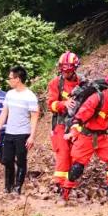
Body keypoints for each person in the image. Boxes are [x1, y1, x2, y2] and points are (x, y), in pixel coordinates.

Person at [62, 70, 108, 207]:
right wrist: (72, 132)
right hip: (86, 136)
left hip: (103, 137)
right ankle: (64, 195)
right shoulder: (96, 99)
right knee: (77, 168)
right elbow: (78, 119)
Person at [0, 65, 40, 196]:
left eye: (10, 78)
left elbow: (34, 116)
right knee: (6, 159)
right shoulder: (10, 94)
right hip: (9, 132)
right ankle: (8, 186)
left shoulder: (29, 96)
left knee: (21, 160)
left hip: (22, 133)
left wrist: (32, 136)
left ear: (18, 79)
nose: (9, 81)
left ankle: (18, 187)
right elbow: (4, 112)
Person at [47, 51, 82, 190]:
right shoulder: (56, 83)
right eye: (63, 70)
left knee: (76, 153)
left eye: (68, 71)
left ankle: (71, 182)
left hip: (77, 123)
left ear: (74, 69)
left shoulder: (82, 82)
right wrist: (64, 104)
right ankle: (60, 183)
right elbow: (51, 104)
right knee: (63, 152)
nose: (65, 73)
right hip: (60, 123)